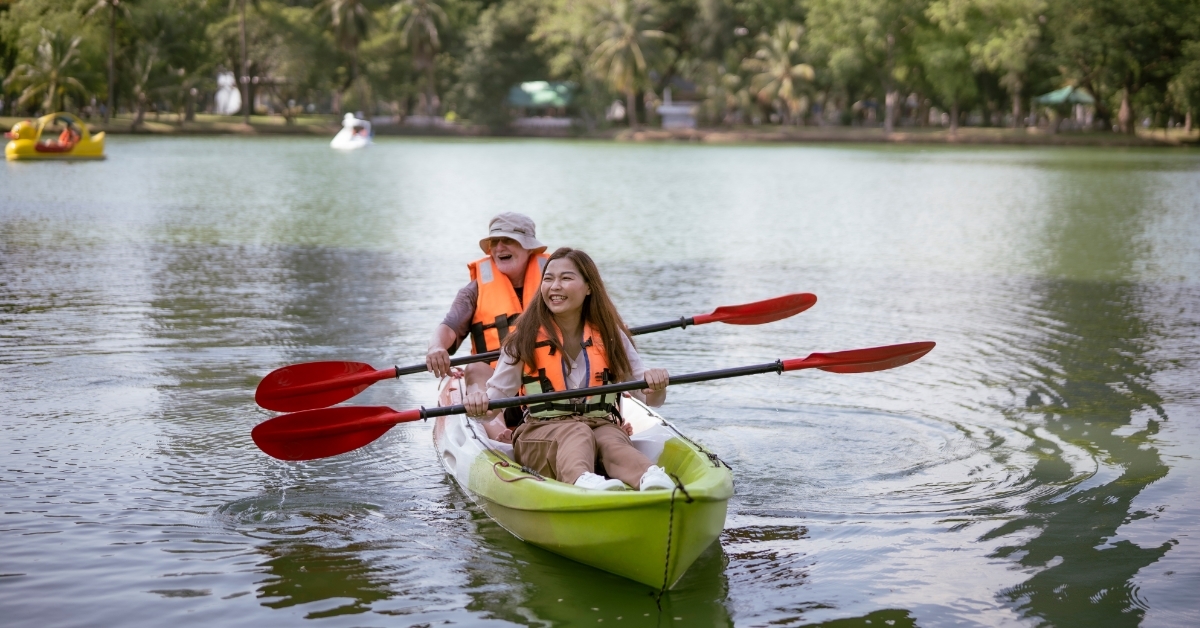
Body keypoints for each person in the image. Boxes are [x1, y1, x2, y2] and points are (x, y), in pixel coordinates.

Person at [463, 247, 676, 492]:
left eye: (566, 278)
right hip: (540, 433)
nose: (554, 286)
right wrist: (479, 404)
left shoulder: (610, 335)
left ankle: (649, 477)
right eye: (548, 278)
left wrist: (656, 385)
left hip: (600, 424)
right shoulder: (524, 338)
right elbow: (492, 405)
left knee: (611, 438)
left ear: (588, 287)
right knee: (577, 431)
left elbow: (650, 398)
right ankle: (582, 480)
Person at [427, 213, 549, 439]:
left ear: (529, 248)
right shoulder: (474, 291)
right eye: (494, 242)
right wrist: (436, 347)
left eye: (509, 240)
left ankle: (601, 418)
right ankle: (500, 433)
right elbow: (449, 325)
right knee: (475, 368)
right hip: (497, 395)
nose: (499, 247)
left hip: (548, 387)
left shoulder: (555, 286)